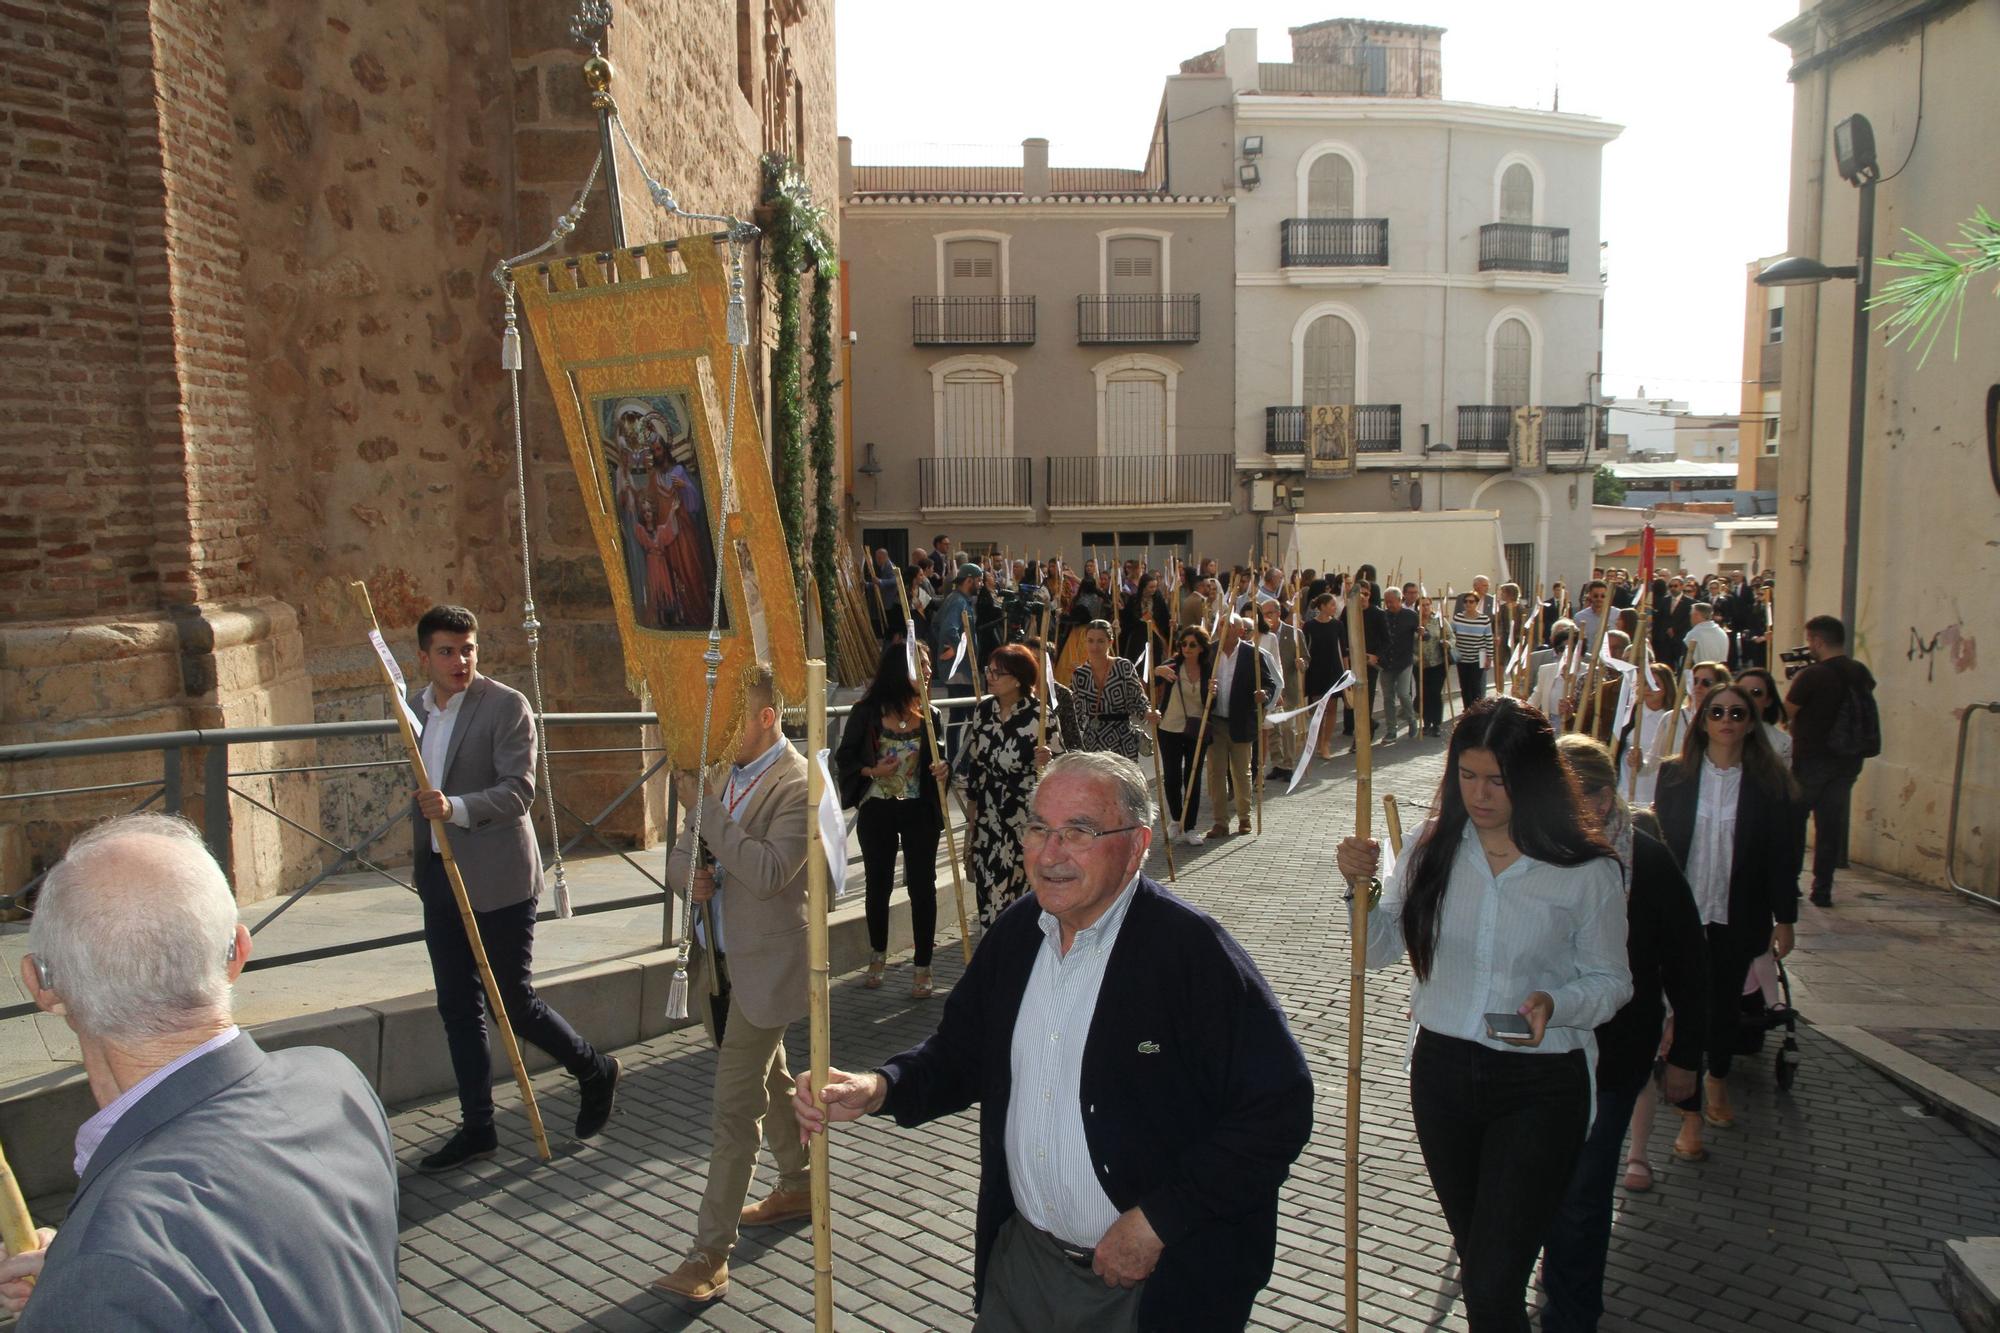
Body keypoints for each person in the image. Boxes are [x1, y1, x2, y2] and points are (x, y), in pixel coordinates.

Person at [795, 753, 1315, 1331]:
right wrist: (879, 1087)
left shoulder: (1191, 954)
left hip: (1154, 1285)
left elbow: (1279, 1107)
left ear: (1138, 843)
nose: (1049, 853)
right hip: (1025, 1265)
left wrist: (1159, 1222)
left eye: (1079, 832)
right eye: (1039, 828)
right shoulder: (1019, 934)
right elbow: (961, 1053)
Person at [0, 814, 399, 1329]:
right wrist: (71, 1281)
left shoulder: (111, 1260)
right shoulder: (335, 1084)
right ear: (237, 953)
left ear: (41, 984)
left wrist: (78, 1292)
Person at [1335, 697, 1631, 1332]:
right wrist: (1359, 892)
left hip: (1540, 1084)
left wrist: (1560, 1002)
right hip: (1442, 1074)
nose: (1480, 794)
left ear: (1533, 777)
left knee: (1494, 1280)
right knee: (1480, 1271)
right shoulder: (1431, 847)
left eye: (1497, 779)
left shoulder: (1585, 870)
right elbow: (1382, 950)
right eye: (1467, 776)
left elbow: (1613, 981)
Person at [408, 605, 619, 1172]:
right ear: (424, 657)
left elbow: (518, 792)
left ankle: (594, 1069)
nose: (461, 660)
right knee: (457, 1006)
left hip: (498, 876)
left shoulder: (506, 706)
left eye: (468, 648)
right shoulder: (414, 707)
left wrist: (455, 808)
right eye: (448, 651)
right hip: (440, 877)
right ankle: (477, 1126)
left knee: (512, 1003)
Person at [655, 666, 813, 1307]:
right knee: (768, 1079)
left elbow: (771, 871)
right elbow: (679, 857)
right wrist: (689, 876)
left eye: (730, 719)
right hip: (715, 962)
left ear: (766, 717)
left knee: (732, 1109)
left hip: (766, 965)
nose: (716, 731)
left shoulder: (799, 783)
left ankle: (708, 1253)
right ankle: (801, 1181)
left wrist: (708, 815)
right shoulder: (720, 774)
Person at [1540, 738, 1708, 1333]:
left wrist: (1685, 1058)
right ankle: (1550, 1277)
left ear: (1602, 797)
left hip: (1614, 1058)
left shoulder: (1649, 864)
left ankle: (1570, 1316)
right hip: (1540, 1053)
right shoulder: (1535, 852)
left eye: (1561, 796)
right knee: (1541, 1191)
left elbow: (1690, 967)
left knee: (1583, 1199)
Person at [1653, 683, 1802, 1161]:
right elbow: (1661, 846)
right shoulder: (1675, 776)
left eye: (1737, 713)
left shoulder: (1771, 785)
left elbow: (1783, 857)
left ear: (1751, 722)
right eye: (1716, 712)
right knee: (1686, 1006)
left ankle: (1717, 1076)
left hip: (1739, 912)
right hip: (1684, 911)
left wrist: (1786, 918)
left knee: (1722, 1007)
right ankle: (1691, 1115)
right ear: (1702, 720)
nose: (1727, 720)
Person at [835, 639, 945, 998]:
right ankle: (878, 954)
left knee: (922, 886)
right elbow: (845, 757)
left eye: (928, 665)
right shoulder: (867, 712)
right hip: (878, 809)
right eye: (921, 664)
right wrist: (872, 770)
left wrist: (944, 769)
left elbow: (940, 763)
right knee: (878, 884)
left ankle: (923, 965)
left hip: (918, 811)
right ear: (902, 669)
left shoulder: (932, 716)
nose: (928, 671)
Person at [951, 644, 1059, 923]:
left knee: (1025, 891)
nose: (991, 677)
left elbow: (1062, 767)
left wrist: (1047, 760)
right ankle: (993, 953)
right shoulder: (983, 711)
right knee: (990, 891)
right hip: (989, 817)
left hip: (1025, 816)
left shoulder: (1040, 715)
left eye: (999, 672)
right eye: (990, 670)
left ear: (1019, 677)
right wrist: (972, 820)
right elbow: (975, 766)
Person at [1785, 614, 1876, 907]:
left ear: (1817, 641)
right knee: (1830, 824)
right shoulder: (1859, 671)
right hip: (1848, 759)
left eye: (1809, 639)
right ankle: (1822, 887)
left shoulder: (1813, 675)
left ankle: (1791, 882)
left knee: (1795, 821)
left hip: (1812, 758)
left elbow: (1787, 711)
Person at [1204, 615, 1276, 838]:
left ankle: (1244, 817)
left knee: (1241, 771)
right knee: (1216, 772)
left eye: (1231, 626)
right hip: (1215, 720)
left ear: (1241, 630)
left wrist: (1264, 694)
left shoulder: (1251, 654)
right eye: (1223, 625)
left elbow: (1268, 682)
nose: (1226, 629)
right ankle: (1220, 822)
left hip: (1241, 720)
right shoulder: (1210, 651)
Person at [1153, 625, 1211, 846]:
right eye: (1183, 644)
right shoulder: (1172, 666)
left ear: (1201, 648)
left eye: (1192, 645)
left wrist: (1213, 693)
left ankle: (1191, 827)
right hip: (1169, 727)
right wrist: (1156, 671)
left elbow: (1211, 703)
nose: (1187, 648)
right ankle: (1176, 819)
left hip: (1196, 729)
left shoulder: (1208, 669)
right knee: (1172, 777)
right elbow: (1149, 680)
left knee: (1193, 777)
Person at [1071, 620, 1149, 761]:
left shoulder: (1123, 667)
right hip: (1093, 740)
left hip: (1122, 737)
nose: (1095, 647)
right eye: (1090, 641)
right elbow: (1077, 712)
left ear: (1110, 642)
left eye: (1100, 641)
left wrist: (1148, 713)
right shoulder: (1080, 674)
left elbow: (1138, 700)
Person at [1614, 661, 1681, 806]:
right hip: (1628, 787)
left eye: (1655, 684)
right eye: (1644, 684)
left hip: (1656, 789)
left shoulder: (1674, 719)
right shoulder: (1630, 714)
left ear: (1666, 688)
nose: (1648, 689)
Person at [1257, 597, 1305, 781]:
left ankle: (1288, 764)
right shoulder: (1262, 634)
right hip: (1271, 690)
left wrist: (1301, 663)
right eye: (1264, 614)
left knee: (1287, 728)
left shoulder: (1294, 633)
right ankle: (1277, 763)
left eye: (1269, 613)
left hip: (1288, 689)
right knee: (1273, 730)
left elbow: (1306, 658)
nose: (1266, 617)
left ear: (1278, 613)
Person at [1302, 592, 1348, 757]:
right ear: (1322, 606)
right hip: (1316, 669)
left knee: (1332, 708)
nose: (1335, 608)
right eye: (1332, 605)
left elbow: (1343, 650)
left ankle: (1326, 743)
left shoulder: (1338, 625)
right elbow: (1304, 649)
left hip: (1334, 669)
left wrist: (1347, 672)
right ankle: (1316, 739)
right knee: (1318, 710)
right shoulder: (1309, 626)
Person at [1341, 582, 1387, 742]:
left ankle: (1360, 740)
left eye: (1366, 594)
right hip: (1352, 661)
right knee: (1353, 701)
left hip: (1369, 663)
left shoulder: (1378, 614)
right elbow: (1342, 634)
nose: (1362, 597)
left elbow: (1386, 640)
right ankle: (1367, 725)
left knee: (1366, 701)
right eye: (1359, 594)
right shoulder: (1348, 611)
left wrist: (1377, 656)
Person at [1379, 585, 1419, 742]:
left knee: (1403, 693)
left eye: (1392, 601)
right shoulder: (1383, 616)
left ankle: (1411, 719)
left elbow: (1422, 633)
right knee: (1388, 697)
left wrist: (1424, 633)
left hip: (1404, 661)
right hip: (1386, 663)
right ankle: (1391, 729)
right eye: (1387, 602)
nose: (1389, 605)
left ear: (1399, 599)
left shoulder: (1410, 615)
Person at [1735, 666, 1792, 763]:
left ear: (1768, 701)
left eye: (1756, 692)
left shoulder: (1782, 743)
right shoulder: (1717, 731)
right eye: (1741, 692)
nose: (1747, 697)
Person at [1415, 591, 1450, 738]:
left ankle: (1436, 724)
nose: (1425, 608)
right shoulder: (1414, 621)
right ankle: (1426, 722)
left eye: (1428, 604)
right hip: (1419, 664)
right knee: (1423, 694)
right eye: (1422, 605)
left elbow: (1451, 636)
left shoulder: (1439, 620)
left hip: (1437, 663)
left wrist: (1447, 643)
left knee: (1435, 693)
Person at [1450, 590, 1494, 705]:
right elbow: (1451, 634)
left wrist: (1489, 658)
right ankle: (1467, 710)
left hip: (1478, 656)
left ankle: (1477, 710)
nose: (1468, 604)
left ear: (1476, 603)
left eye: (1471, 601)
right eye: (1466, 602)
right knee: (1464, 686)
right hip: (1462, 657)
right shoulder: (1458, 618)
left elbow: (1488, 639)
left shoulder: (1484, 619)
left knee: (1476, 685)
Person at [1683, 603, 1728, 680]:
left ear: (1696, 615)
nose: (1690, 618)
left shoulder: (1693, 634)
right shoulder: (1721, 632)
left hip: (1701, 677)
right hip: (1719, 676)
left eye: (1691, 615)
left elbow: (1687, 661)